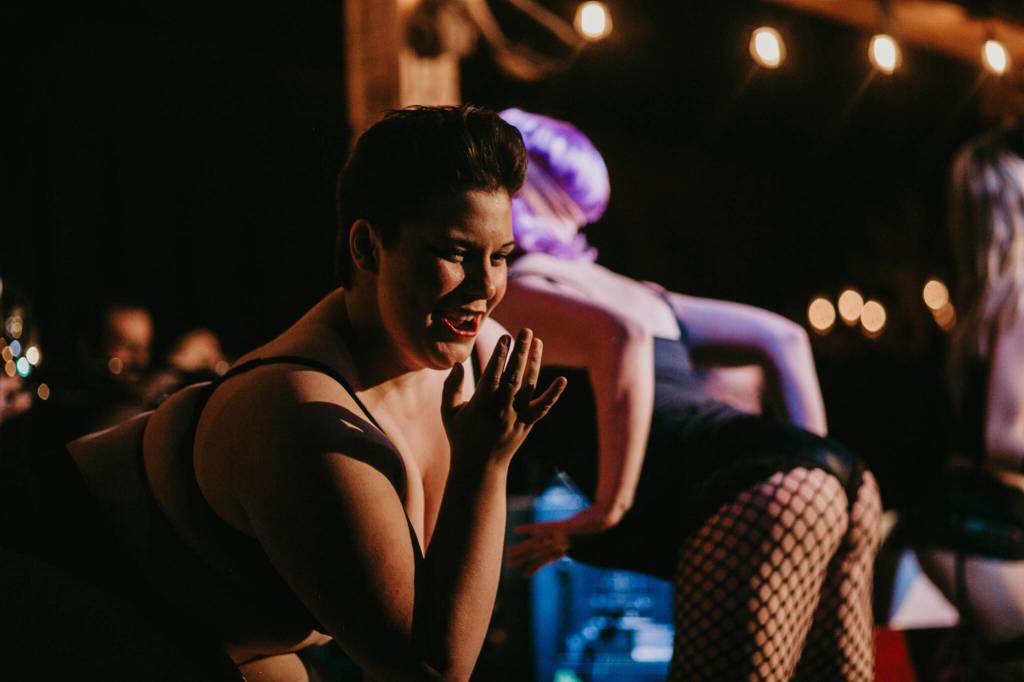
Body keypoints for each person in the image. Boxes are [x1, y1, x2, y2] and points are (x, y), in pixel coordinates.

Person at [0, 105, 566, 680]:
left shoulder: (465, 354)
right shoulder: (302, 415)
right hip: (60, 587)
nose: (486, 287)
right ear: (368, 248)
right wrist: (484, 464)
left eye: (500, 257)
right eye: (455, 253)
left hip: (220, 627)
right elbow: (431, 673)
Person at [494, 108, 883, 681]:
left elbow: (616, 340)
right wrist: (817, 471)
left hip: (742, 488)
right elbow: (785, 339)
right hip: (838, 479)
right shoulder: (631, 291)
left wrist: (608, 508)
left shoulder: (521, 287)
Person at [911, 128, 1024, 675]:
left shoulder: (983, 300)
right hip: (985, 527)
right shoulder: (1022, 295)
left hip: (960, 522)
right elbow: (1004, 438)